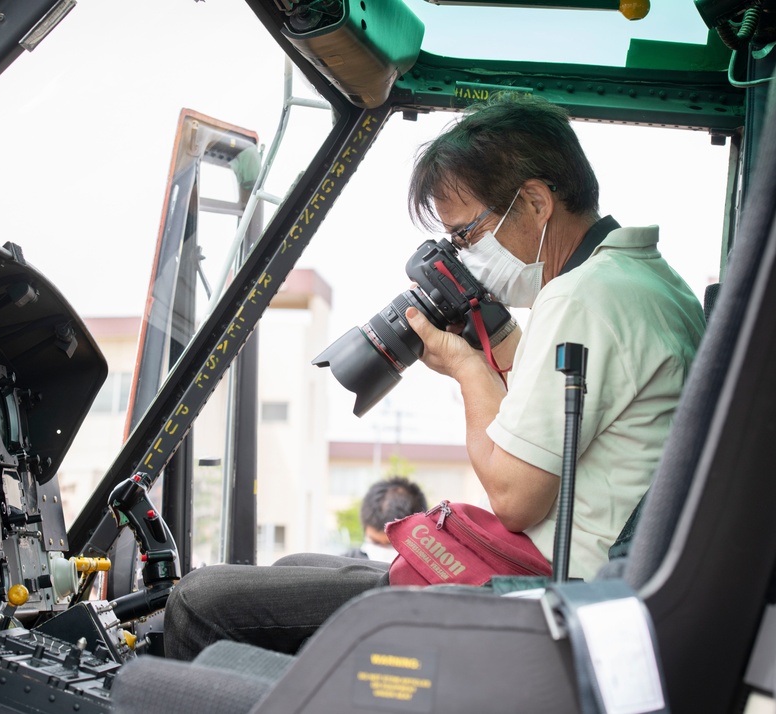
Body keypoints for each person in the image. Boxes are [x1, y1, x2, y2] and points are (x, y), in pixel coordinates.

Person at [163, 92, 706, 661]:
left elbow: (515, 496)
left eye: (467, 234)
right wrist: (492, 340)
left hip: (551, 592)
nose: (466, 255)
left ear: (536, 202)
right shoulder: (646, 282)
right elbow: (565, 412)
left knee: (201, 600)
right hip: (596, 573)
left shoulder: (582, 297)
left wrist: (468, 366)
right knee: (297, 567)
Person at [343, 476, 428, 562]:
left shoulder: (430, 571)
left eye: (391, 544)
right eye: (375, 542)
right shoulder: (343, 565)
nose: (382, 551)